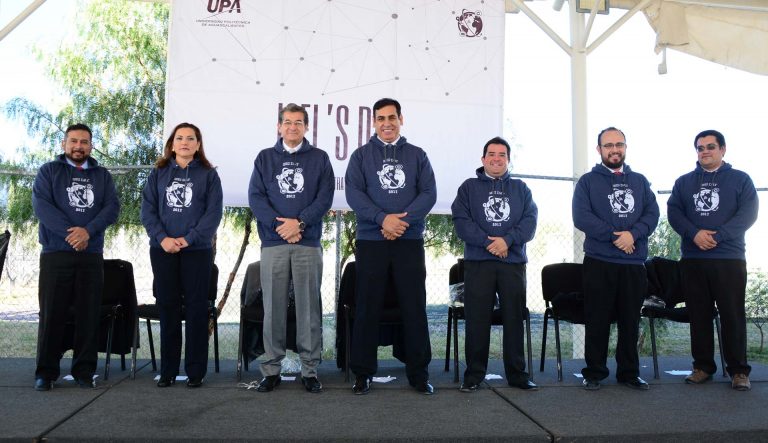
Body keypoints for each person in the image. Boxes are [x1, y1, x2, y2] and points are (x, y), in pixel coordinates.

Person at [345, 97, 437, 395]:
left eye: (392, 118)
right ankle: (362, 373)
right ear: (374, 122)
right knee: (367, 306)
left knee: (414, 306)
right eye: (381, 118)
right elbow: (354, 194)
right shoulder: (361, 156)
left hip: (408, 241)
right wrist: (382, 219)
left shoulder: (417, 155)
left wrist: (401, 223)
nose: (387, 123)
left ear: (401, 120)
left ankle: (419, 373)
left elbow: (428, 193)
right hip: (372, 241)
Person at [248, 103, 334, 393]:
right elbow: (256, 197)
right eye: (287, 122)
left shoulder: (320, 158)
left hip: (307, 242)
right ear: (279, 126)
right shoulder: (264, 158)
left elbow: (324, 197)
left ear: (306, 127)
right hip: (274, 243)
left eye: (298, 122)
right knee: (273, 308)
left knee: (309, 309)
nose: (293, 127)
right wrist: (280, 226)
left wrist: (300, 224)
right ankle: (271, 370)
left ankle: (309, 371)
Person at [667, 129, 758, 391]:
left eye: (710, 147)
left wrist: (718, 236)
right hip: (693, 259)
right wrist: (694, 234)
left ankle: (738, 371)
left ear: (722, 149)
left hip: (729, 258)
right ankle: (703, 367)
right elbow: (674, 212)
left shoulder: (741, 179)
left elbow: (748, 214)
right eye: (700, 148)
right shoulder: (684, 182)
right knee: (699, 315)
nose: (704, 151)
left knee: (732, 315)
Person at [32, 123, 120, 391]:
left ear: (91, 146)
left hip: (90, 254)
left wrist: (88, 232)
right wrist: (72, 235)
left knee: (88, 314)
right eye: (73, 141)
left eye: (84, 142)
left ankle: (84, 371)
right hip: (55, 253)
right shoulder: (49, 171)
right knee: (52, 314)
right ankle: (46, 373)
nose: (78, 146)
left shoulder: (102, 176)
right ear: (64, 144)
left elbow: (111, 208)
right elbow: (42, 207)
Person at [572, 126, 659, 391]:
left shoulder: (640, 181)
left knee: (630, 321)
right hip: (599, 262)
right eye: (608, 145)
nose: (614, 149)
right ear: (599, 149)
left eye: (618, 144)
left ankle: (629, 373)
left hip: (633, 265)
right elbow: (582, 217)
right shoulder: (588, 182)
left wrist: (633, 235)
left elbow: (652, 214)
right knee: (597, 320)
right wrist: (615, 237)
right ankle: (594, 373)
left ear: (625, 147)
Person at [451, 136, 538, 392]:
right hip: (479, 263)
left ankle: (517, 374)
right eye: (492, 154)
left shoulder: (521, 189)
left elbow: (530, 222)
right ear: (483, 159)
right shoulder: (468, 188)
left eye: (502, 155)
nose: (496, 159)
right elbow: (461, 221)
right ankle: (474, 375)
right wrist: (488, 243)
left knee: (514, 319)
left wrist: (507, 241)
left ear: (508, 160)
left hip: (512, 264)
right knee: (477, 320)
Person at [140, 122, 223, 388]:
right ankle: (168, 371)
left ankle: (195, 372)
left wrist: (189, 239)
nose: (184, 142)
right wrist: (162, 238)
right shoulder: (158, 173)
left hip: (196, 251)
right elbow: (148, 211)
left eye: (190, 138)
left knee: (197, 310)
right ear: (172, 144)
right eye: (179, 138)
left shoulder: (209, 175)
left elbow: (213, 214)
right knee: (168, 308)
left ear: (198, 145)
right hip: (163, 250)